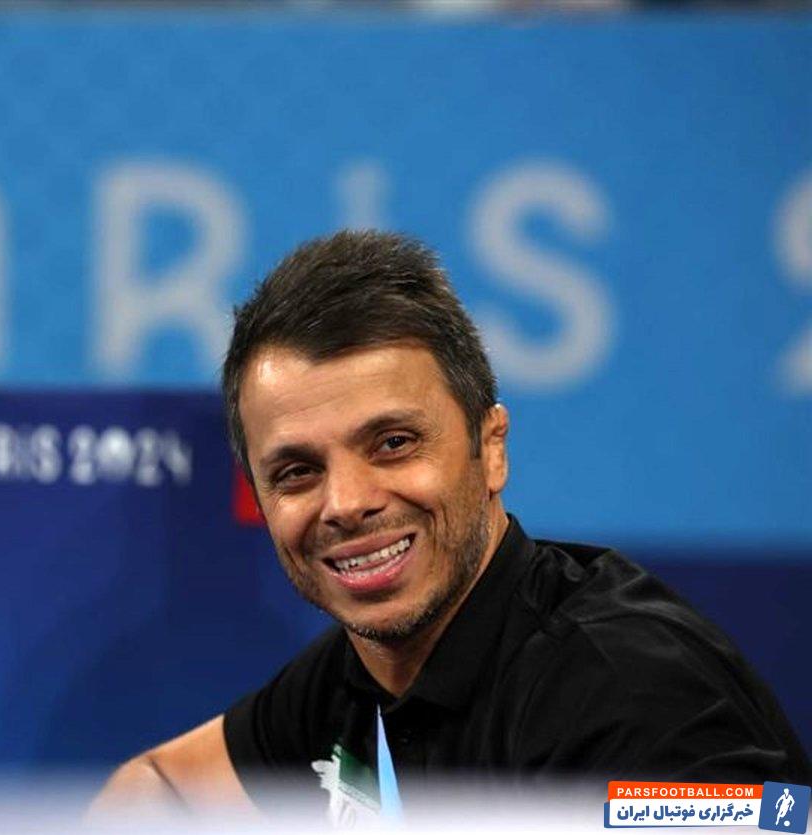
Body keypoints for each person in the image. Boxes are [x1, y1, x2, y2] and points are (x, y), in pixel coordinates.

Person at [89, 230, 810, 819]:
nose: (346, 502)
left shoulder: (629, 692)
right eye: (298, 471)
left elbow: (763, 819)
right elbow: (159, 787)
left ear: (490, 449)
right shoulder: (350, 680)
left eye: (393, 443)